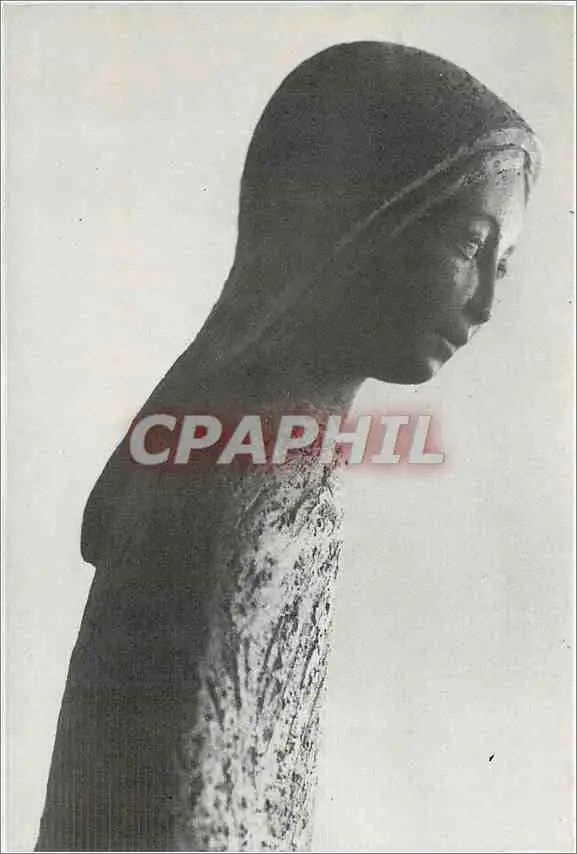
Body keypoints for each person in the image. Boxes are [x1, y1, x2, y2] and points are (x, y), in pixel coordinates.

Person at [35, 41, 541, 852]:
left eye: (502, 266)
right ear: (354, 227)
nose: (483, 304)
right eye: (466, 246)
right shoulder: (237, 486)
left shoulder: (269, 462)